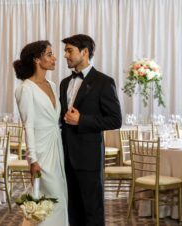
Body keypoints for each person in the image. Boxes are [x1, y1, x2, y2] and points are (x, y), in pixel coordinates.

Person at [60, 34, 122, 226]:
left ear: (84, 52)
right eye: (65, 51)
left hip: (89, 158)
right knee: (72, 210)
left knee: (92, 211)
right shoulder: (64, 83)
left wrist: (82, 120)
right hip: (65, 156)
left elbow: (115, 120)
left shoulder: (104, 82)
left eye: (69, 50)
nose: (65, 55)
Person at [14, 40, 69, 226]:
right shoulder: (25, 88)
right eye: (49, 54)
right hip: (42, 151)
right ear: (37, 59)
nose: (55, 58)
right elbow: (28, 126)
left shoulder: (52, 85)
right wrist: (32, 159)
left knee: (61, 197)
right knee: (50, 199)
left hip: (57, 146)